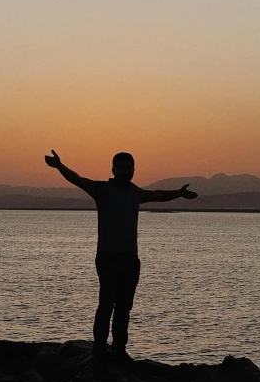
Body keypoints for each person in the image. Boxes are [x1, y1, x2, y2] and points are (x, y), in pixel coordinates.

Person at [44, 149, 198, 366]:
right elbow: (77, 180)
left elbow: (158, 195)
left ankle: (118, 350)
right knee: (106, 304)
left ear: (134, 170)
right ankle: (99, 350)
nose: (126, 171)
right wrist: (60, 166)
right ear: (113, 170)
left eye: (130, 167)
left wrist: (179, 193)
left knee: (124, 307)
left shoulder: (136, 193)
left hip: (130, 259)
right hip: (108, 257)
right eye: (122, 167)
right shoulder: (102, 189)